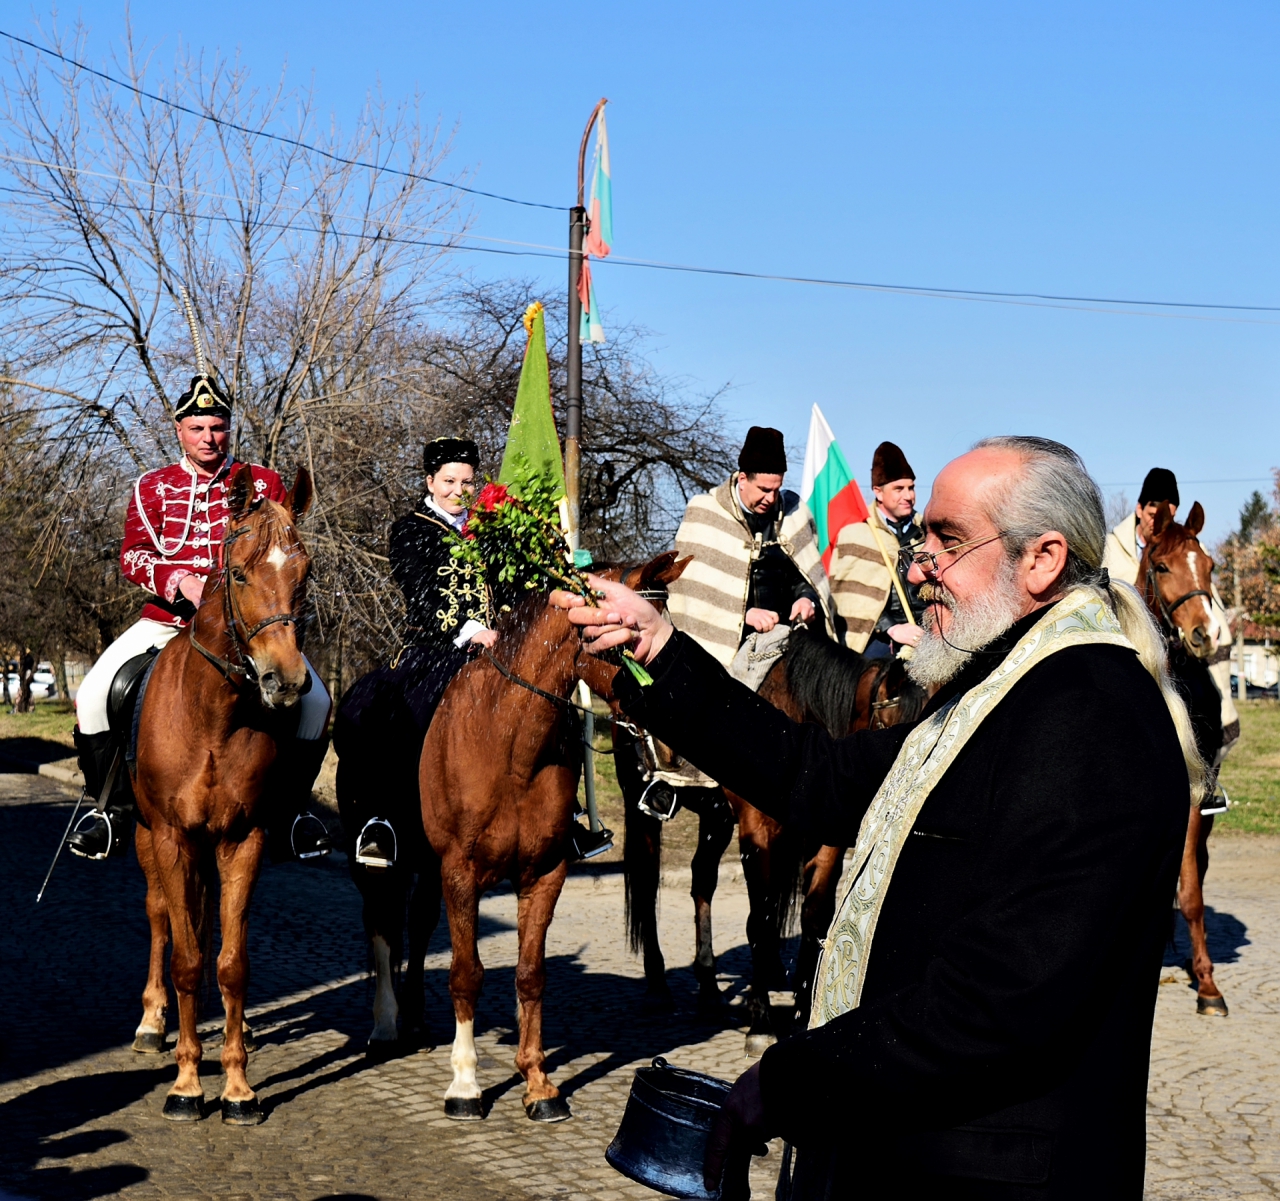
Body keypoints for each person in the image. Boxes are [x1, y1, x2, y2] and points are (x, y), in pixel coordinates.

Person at [556, 436, 1203, 1198]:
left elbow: (998, 999)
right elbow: (814, 773)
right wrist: (660, 649)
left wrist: (789, 1080)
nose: (919, 561)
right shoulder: (988, 689)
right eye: (924, 533)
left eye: (948, 540)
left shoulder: (1094, 716)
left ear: (1044, 558)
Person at [68, 373, 332, 861]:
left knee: (315, 703)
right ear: (178, 430)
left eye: (218, 427)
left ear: (228, 428)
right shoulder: (152, 486)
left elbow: (283, 548)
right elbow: (133, 555)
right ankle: (110, 811)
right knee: (92, 696)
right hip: (166, 622)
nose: (209, 437)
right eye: (198, 428)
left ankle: (295, 813)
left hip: (247, 629)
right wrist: (179, 582)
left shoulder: (263, 483)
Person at [336, 437, 612, 867]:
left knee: (556, 707)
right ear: (430, 481)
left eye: (466, 481)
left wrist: (558, 562)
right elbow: (420, 591)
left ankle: (569, 813)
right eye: (448, 481)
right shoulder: (411, 529)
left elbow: (517, 589)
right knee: (409, 711)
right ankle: (381, 819)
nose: (458, 490)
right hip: (436, 646)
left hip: (500, 647)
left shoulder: (492, 528)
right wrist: (467, 631)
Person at [666, 425, 837, 665]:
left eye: (777, 490)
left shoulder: (793, 513)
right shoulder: (704, 513)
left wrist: (806, 598)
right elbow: (693, 593)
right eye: (764, 490)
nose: (771, 498)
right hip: (727, 649)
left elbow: (807, 577)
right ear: (743, 479)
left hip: (789, 643)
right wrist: (744, 615)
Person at [1103, 467, 1239, 759]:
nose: (1158, 516)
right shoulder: (1110, 548)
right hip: (1122, 650)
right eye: (1152, 508)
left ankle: (1206, 771)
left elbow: (1201, 592)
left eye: (1167, 510)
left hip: (1176, 653)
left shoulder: (1184, 546)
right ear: (1140, 509)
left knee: (1208, 700)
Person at [829, 440, 926, 658]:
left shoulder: (926, 532)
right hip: (878, 637)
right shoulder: (856, 534)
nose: (908, 496)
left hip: (927, 634)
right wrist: (892, 628)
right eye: (899, 489)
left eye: (911, 488)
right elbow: (849, 598)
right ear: (878, 492)